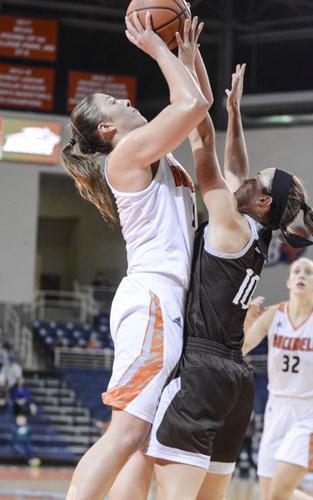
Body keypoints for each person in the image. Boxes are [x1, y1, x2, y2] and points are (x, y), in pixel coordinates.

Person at [144, 21, 313, 500]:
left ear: (261, 201)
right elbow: (234, 158)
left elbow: (200, 134)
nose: (245, 176)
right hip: (237, 379)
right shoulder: (254, 228)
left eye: (255, 180)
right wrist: (234, 111)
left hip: (202, 366)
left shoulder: (231, 221)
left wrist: (178, 52)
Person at [61, 12, 209, 500]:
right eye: (115, 102)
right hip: (152, 301)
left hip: (166, 305)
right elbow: (186, 103)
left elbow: (197, 104)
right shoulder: (126, 157)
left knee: (144, 441)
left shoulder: (152, 152)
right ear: (108, 128)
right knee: (125, 434)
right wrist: (157, 49)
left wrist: (187, 55)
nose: (127, 100)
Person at [243, 257, 313, 500]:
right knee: (270, 497)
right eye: (297, 271)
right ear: (289, 281)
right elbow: (240, 349)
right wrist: (245, 324)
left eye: (308, 272)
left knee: (278, 493)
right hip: (276, 409)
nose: (302, 275)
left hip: (307, 414)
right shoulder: (274, 315)